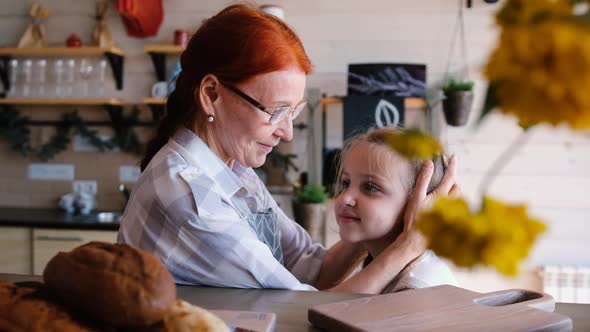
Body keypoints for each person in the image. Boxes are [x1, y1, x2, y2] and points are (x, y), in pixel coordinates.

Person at [117, 3, 458, 293]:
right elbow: (303, 312)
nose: (287, 132)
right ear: (211, 95)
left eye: (292, 112)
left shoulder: (234, 171)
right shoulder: (191, 196)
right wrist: (408, 245)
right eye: (275, 111)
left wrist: (376, 223)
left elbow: (311, 268)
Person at [334, 128, 459, 293]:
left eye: (370, 187)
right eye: (345, 183)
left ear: (418, 206)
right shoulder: (377, 267)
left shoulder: (415, 290)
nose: (345, 198)